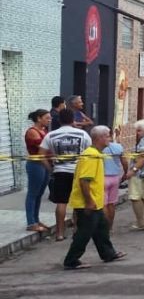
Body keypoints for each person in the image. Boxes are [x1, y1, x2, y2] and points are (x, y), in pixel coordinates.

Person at [62, 125, 126, 270]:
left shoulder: (96, 154)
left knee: (102, 228)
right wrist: (89, 201)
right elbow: (85, 180)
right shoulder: (91, 155)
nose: (110, 139)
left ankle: (108, 253)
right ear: (100, 138)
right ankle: (71, 260)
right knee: (85, 232)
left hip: (94, 201)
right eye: (108, 136)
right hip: (87, 202)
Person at [40, 108, 91, 241]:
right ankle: (77, 231)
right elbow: (90, 155)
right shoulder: (83, 134)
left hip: (60, 172)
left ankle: (60, 233)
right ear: (73, 119)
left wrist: (50, 170)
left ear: (59, 120)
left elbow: (41, 155)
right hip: (78, 172)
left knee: (61, 203)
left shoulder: (50, 135)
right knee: (78, 203)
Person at [23, 109, 51, 233]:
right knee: (33, 193)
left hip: (44, 164)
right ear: (39, 118)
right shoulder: (32, 132)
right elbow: (43, 148)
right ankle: (31, 222)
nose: (49, 120)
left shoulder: (44, 131)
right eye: (47, 118)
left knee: (39, 194)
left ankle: (36, 219)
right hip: (36, 164)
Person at [102, 129, 128, 232]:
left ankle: (103, 228)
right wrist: (125, 173)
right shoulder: (118, 147)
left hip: (102, 177)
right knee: (111, 204)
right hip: (115, 178)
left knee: (103, 204)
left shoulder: (98, 148)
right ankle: (110, 227)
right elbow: (124, 162)